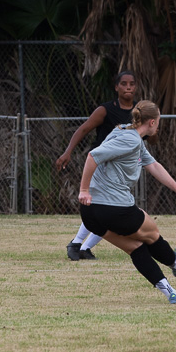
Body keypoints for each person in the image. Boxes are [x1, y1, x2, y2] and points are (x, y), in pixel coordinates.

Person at [77, 100, 176, 304]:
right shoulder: (131, 140)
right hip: (113, 207)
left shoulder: (124, 133)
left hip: (89, 214)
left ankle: (170, 292)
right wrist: (84, 189)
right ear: (151, 122)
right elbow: (92, 156)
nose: (158, 125)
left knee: (135, 247)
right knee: (152, 232)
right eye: (158, 121)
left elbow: (153, 165)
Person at [56, 71, 137, 260]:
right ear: (116, 87)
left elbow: (148, 137)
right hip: (103, 166)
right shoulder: (106, 110)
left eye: (131, 84)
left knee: (104, 210)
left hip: (123, 168)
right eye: (123, 83)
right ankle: (79, 245)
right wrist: (68, 151)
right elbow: (84, 128)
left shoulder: (138, 113)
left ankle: (80, 246)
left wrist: (153, 126)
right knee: (108, 210)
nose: (128, 87)